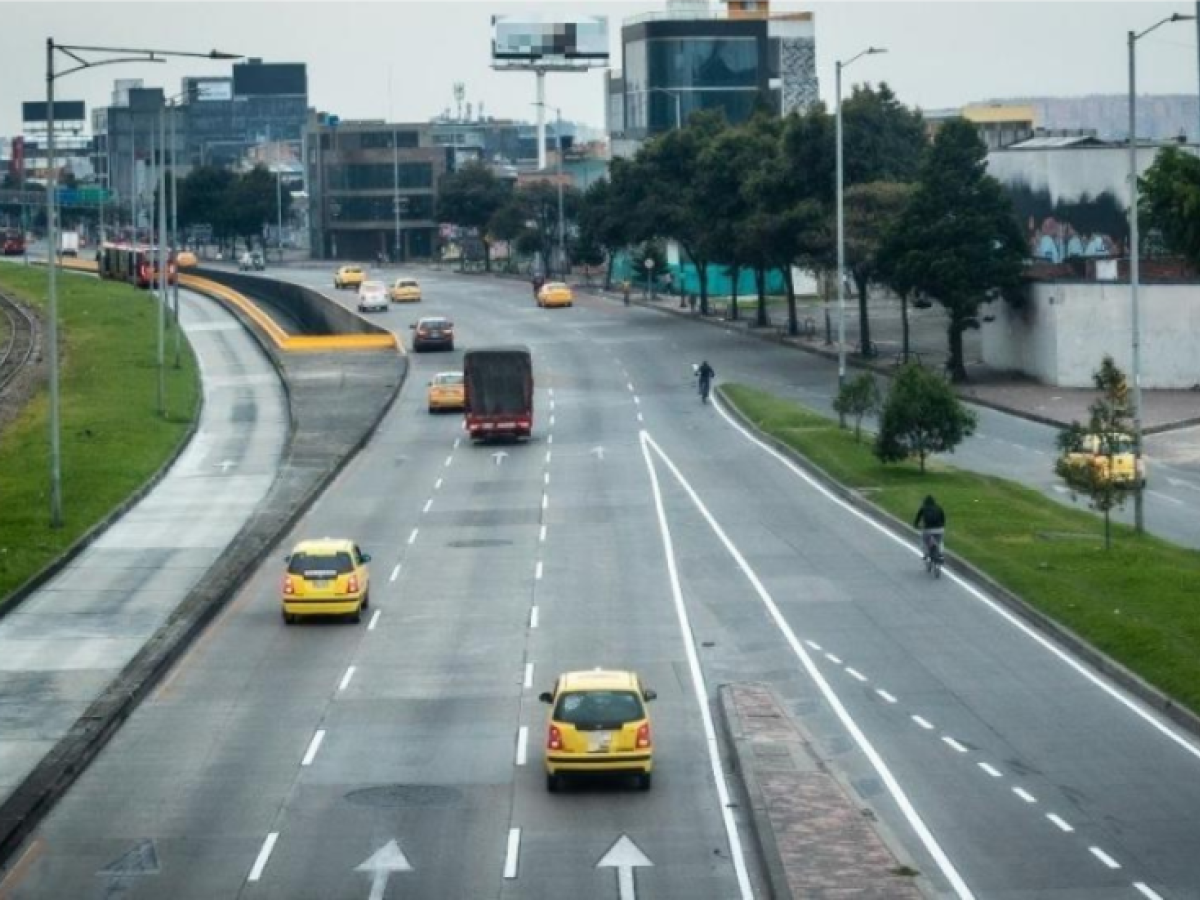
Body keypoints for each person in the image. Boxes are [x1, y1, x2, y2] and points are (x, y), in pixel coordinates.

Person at [914, 495, 946, 561]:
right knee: (940, 542)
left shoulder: (923, 508)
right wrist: (942, 526)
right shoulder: (939, 508)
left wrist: (916, 525)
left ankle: (926, 554)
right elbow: (943, 519)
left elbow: (918, 518)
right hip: (939, 529)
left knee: (924, 541)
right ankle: (941, 554)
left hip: (928, 529)